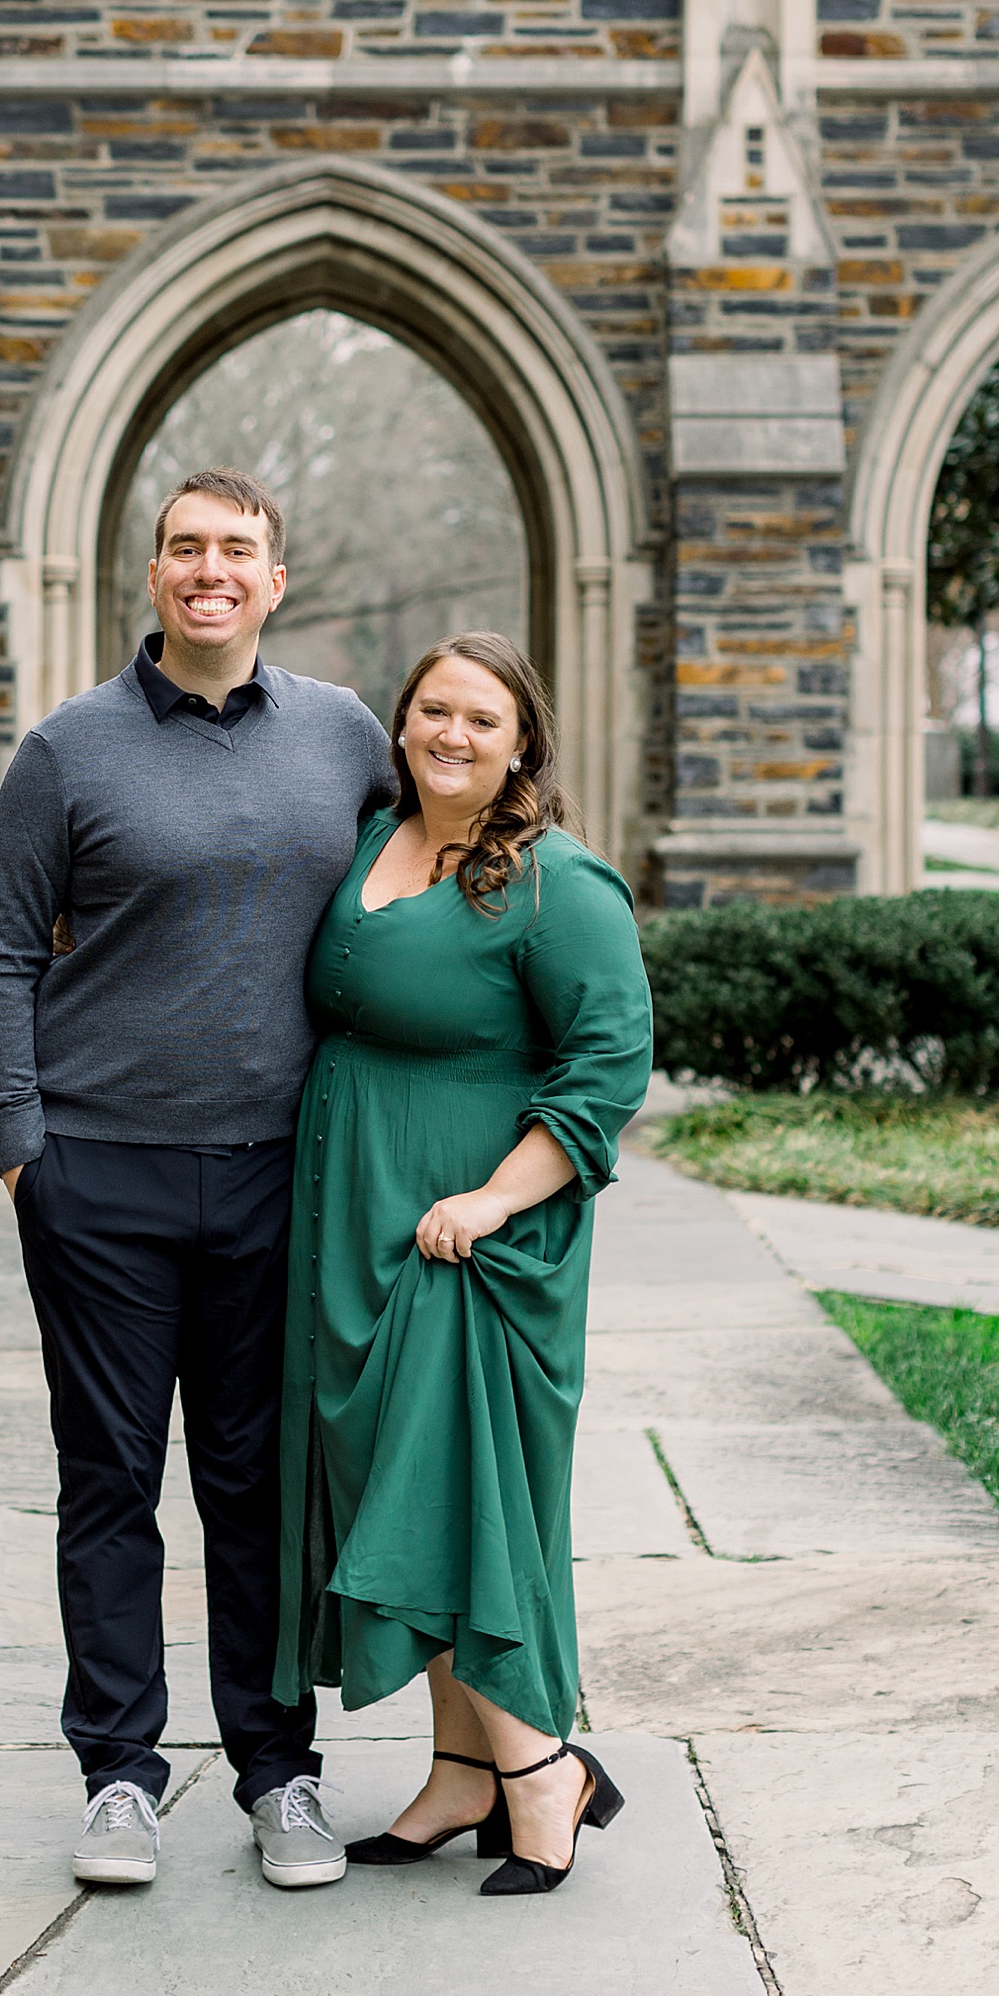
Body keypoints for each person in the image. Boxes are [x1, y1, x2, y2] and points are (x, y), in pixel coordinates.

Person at [0, 467, 395, 1892]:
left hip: (287, 1175)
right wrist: (21, 1145)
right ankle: (119, 1776)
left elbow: (442, 876)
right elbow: (5, 953)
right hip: (100, 1177)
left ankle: (279, 1774)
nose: (210, 569)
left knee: (258, 1487)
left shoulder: (344, 736)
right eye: (184, 548)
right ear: (151, 575)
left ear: (277, 578)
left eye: (238, 550)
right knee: (107, 1482)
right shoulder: (68, 751)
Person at [274, 632, 653, 1896]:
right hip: (358, 1218)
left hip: (469, 1236)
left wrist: (493, 1198)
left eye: (481, 719)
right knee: (393, 1479)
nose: (451, 734)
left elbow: (607, 1068)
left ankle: (544, 1767)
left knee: (459, 1493)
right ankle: (460, 1769)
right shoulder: (378, 834)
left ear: (523, 743)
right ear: (401, 722)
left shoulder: (560, 884)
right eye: (432, 709)